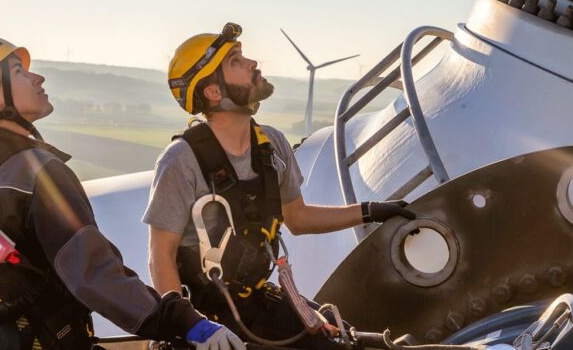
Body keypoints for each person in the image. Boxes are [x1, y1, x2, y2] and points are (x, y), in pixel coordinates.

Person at [0, 36, 245, 349]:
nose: (38, 77)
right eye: (18, 71)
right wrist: (183, 321)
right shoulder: (40, 174)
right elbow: (94, 274)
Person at [144, 23, 415, 349]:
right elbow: (161, 255)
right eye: (235, 61)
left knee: (343, 342)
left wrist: (370, 211)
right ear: (213, 92)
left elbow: (298, 218)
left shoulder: (270, 145)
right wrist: (189, 327)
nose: (252, 63)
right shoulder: (180, 161)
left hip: (257, 304)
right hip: (208, 318)